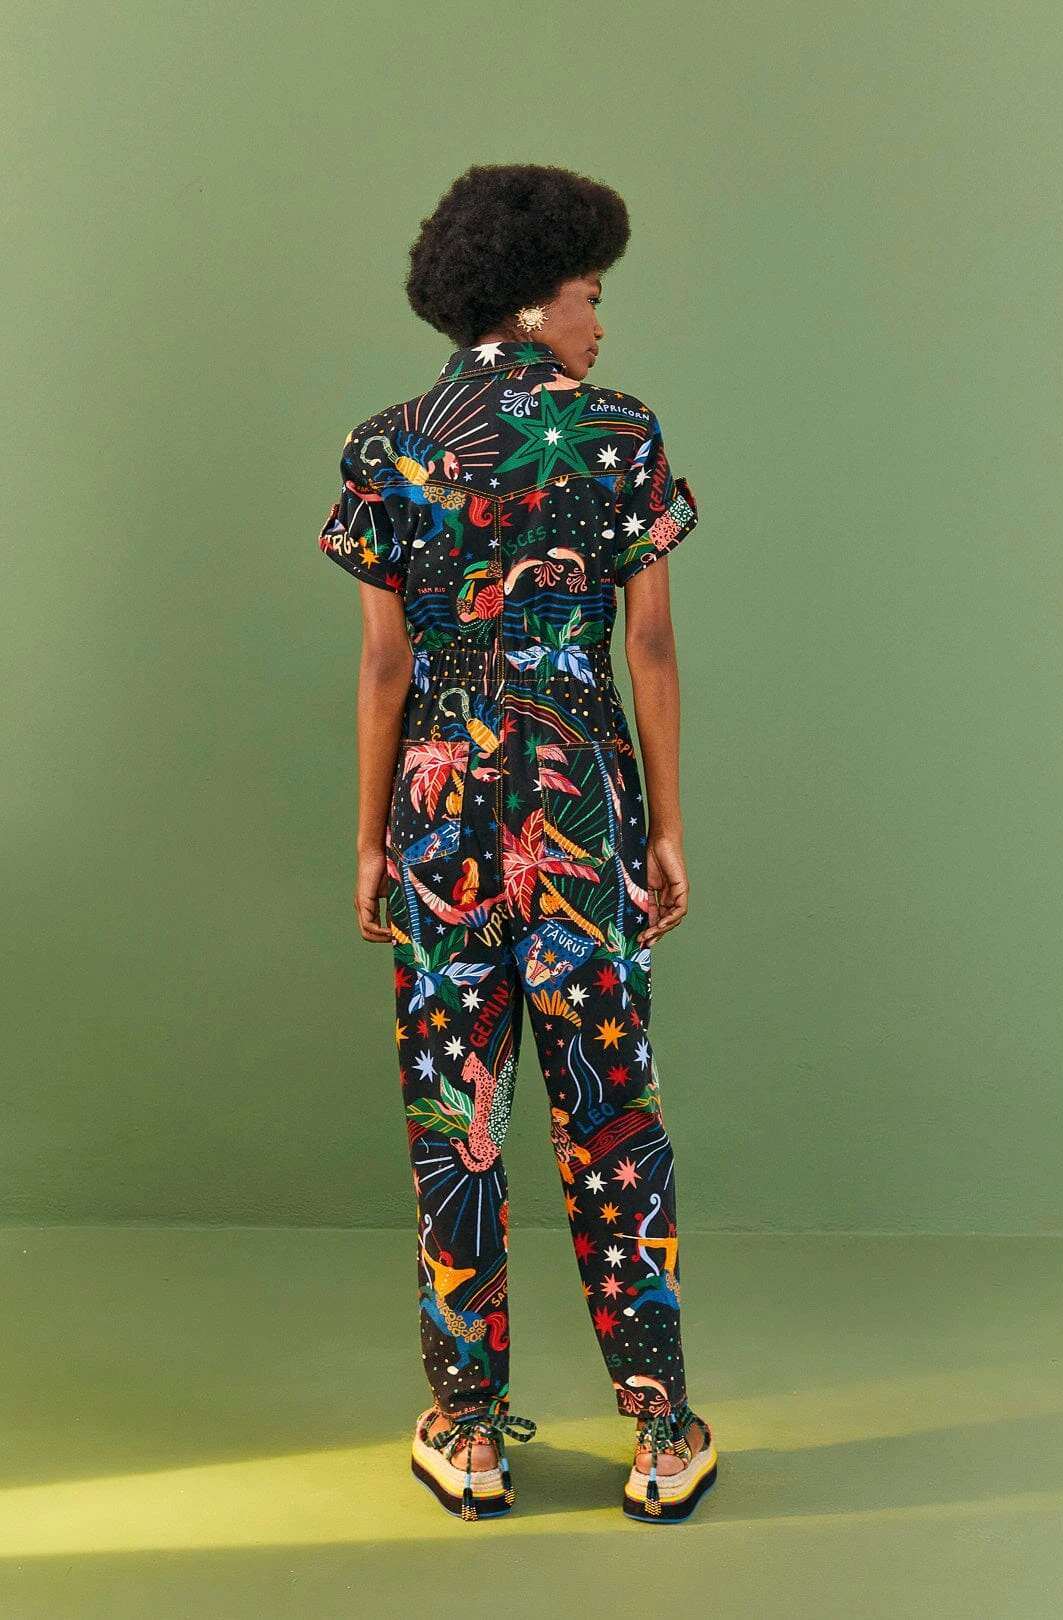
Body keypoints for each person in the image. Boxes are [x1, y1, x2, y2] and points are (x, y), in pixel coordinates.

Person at [316, 163, 716, 1523]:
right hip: (579, 809)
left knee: (459, 1112)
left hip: (437, 814)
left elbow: (384, 669)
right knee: (609, 1110)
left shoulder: (387, 445)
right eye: (593, 294)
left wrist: (370, 840)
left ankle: (470, 1432)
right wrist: (666, 824)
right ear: (539, 301)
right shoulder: (621, 433)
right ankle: (659, 1431)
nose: (601, 321)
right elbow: (649, 645)